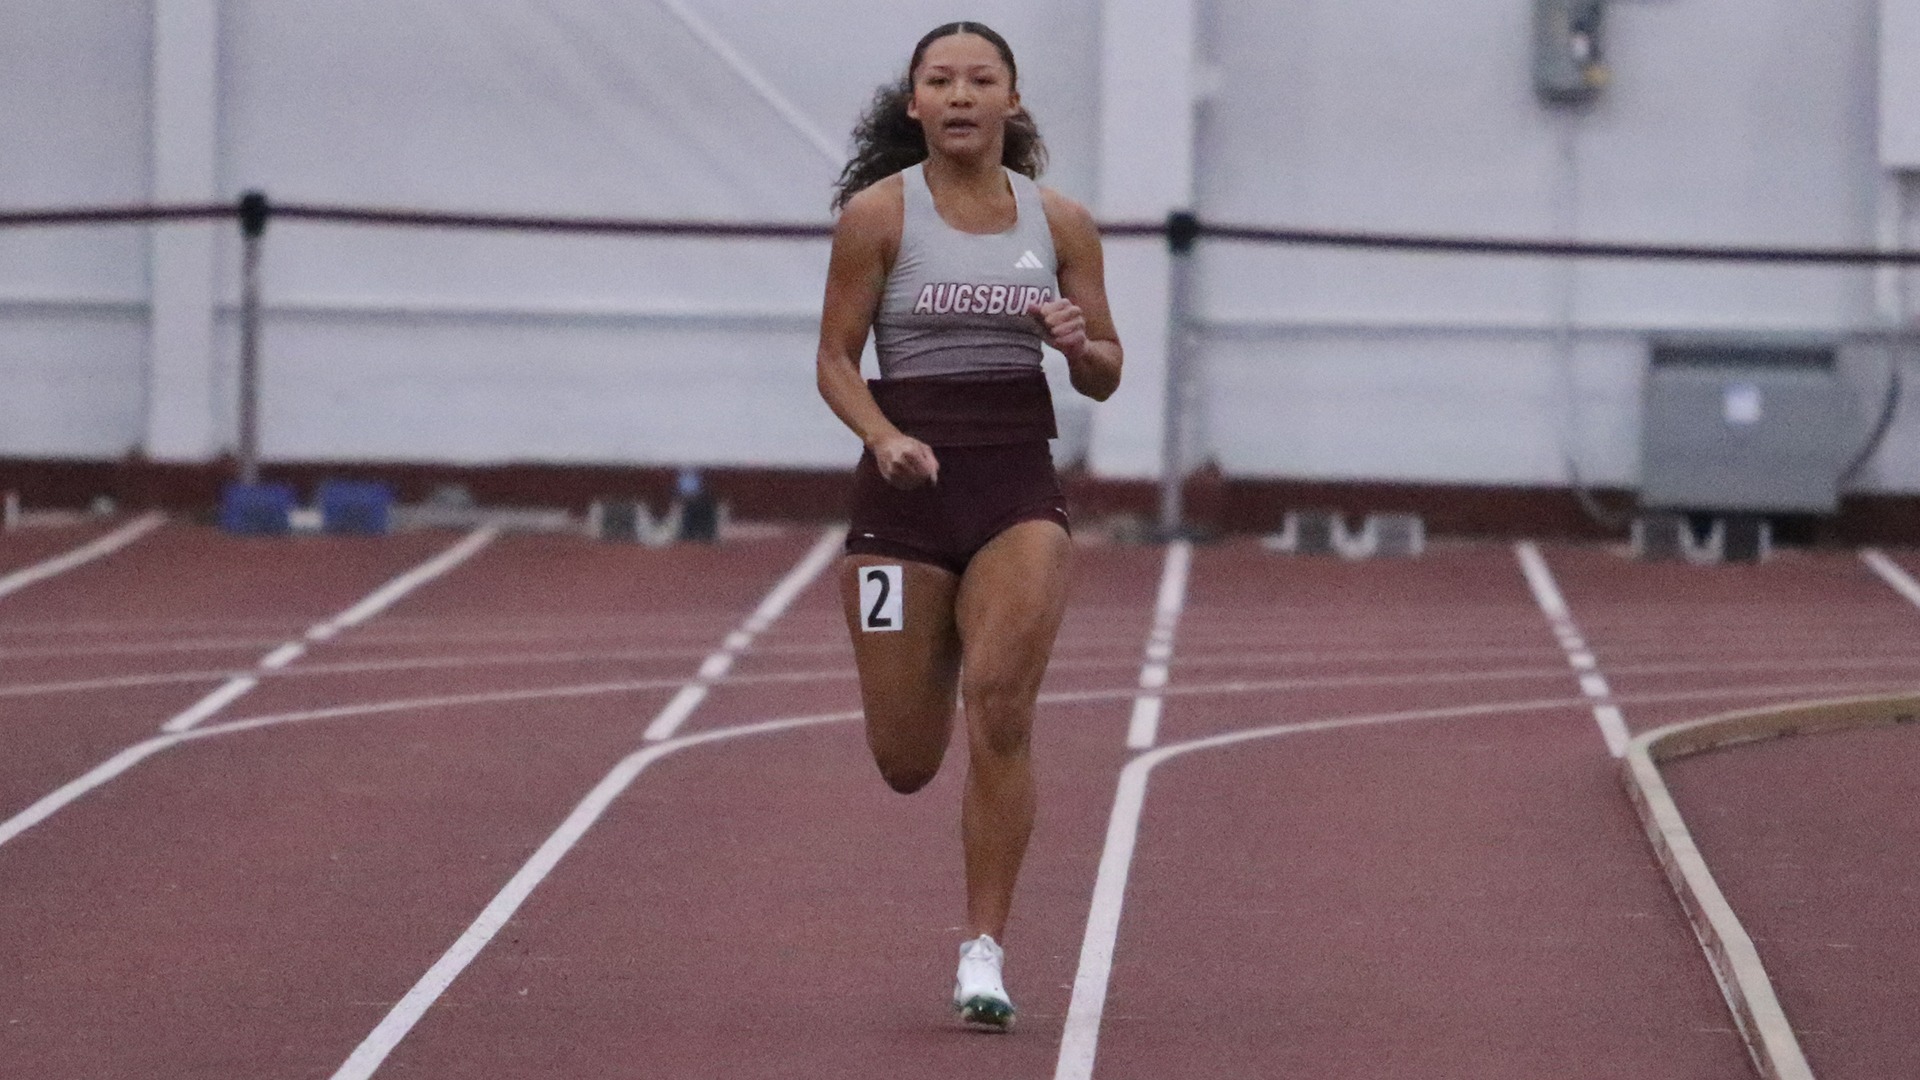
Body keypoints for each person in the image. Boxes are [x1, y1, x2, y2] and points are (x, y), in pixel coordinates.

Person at [814, 21, 1122, 1031]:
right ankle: (934, 632)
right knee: (907, 761)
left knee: (1001, 703)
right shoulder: (877, 217)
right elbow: (834, 360)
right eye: (938, 81)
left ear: (1012, 100)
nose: (958, 95)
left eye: (978, 79)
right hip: (905, 494)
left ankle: (983, 953)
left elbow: (1108, 372)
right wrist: (882, 435)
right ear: (913, 104)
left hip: (1015, 490)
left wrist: (1080, 346)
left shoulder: (1061, 221)